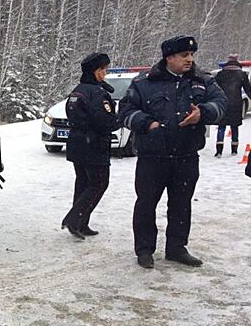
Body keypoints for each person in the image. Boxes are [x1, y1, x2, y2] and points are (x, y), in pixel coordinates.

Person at [118, 35, 227, 269]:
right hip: (152, 157)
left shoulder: (202, 80)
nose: (190, 59)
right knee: (146, 203)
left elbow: (221, 103)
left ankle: (177, 248)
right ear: (169, 58)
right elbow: (125, 110)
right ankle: (145, 250)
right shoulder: (144, 82)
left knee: (181, 204)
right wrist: (147, 123)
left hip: (186, 156)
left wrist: (203, 113)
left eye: (191, 55)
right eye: (184, 55)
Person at [61, 52, 119, 239]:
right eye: (103, 69)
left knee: (84, 183)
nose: (105, 73)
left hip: (78, 144)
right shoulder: (97, 93)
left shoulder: (78, 90)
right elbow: (105, 122)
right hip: (94, 145)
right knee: (98, 183)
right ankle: (75, 219)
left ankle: (81, 223)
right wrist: (120, 119)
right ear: (96, 71)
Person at [213, 53, 251, 157]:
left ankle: (219, 151)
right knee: (234, 127)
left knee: (221, 127)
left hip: (223, 103)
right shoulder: (242, 74)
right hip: (236, 104)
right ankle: (234, 150)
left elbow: (214, 88)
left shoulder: (221, 74)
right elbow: (248, 90)